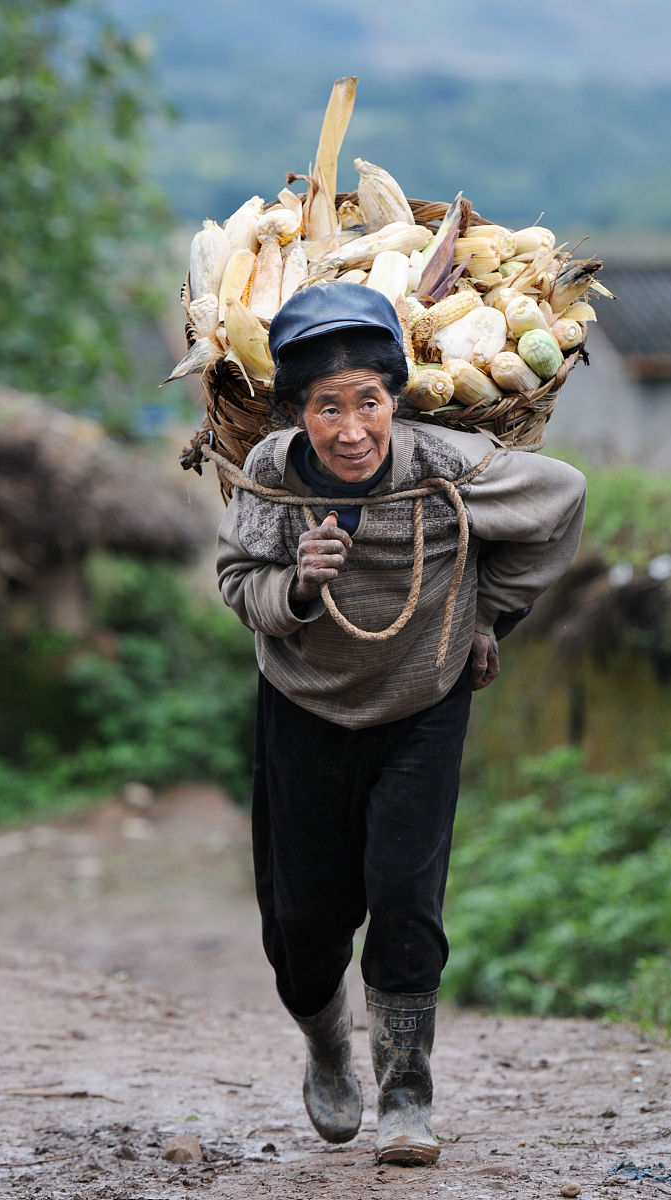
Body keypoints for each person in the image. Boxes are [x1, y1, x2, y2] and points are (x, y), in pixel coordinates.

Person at [215, 281, 586, 1166]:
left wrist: (484, 617)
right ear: (297, 412)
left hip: (422, 704)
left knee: (405, 899)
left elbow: (560, 499)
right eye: (327, 407)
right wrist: (299, 584)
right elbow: (236, 583)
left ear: (396, 398)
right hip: (304, 705)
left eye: (369, 402)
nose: (351, 429)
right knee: (302, 927)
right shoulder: (270, 475)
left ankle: (406, 1093)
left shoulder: (445, 466)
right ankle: (325, 1045)